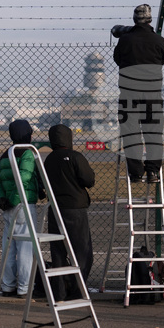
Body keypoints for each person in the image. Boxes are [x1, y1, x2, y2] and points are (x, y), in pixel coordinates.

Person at [112, 4, 164, 184]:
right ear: (150, 20)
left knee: (131, 133)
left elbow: (117, 59)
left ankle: (135, 172)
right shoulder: (159, 41)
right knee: (153, 133)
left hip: (129, 93)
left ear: (134, 20)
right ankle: (153, 172)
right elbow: (163, 59)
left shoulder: (125, 40)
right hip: (152, 93)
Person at [43, 124, 95, 302]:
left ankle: (59, 293)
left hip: (55, 209)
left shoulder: (48, 160)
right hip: (75, 209)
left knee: (58, 253)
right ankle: (78, 291)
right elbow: (89, 180)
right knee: (83, 253)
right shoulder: (75, 157)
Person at [0, 120, 43, 298]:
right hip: (23, 204)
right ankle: (24, 287)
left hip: (8, 207)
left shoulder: (6, 154)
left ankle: (7, 286)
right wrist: (15, 199)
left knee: (9, 247)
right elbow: (24, 178)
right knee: (25, 248)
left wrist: (3, 199)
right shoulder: (28, 153)